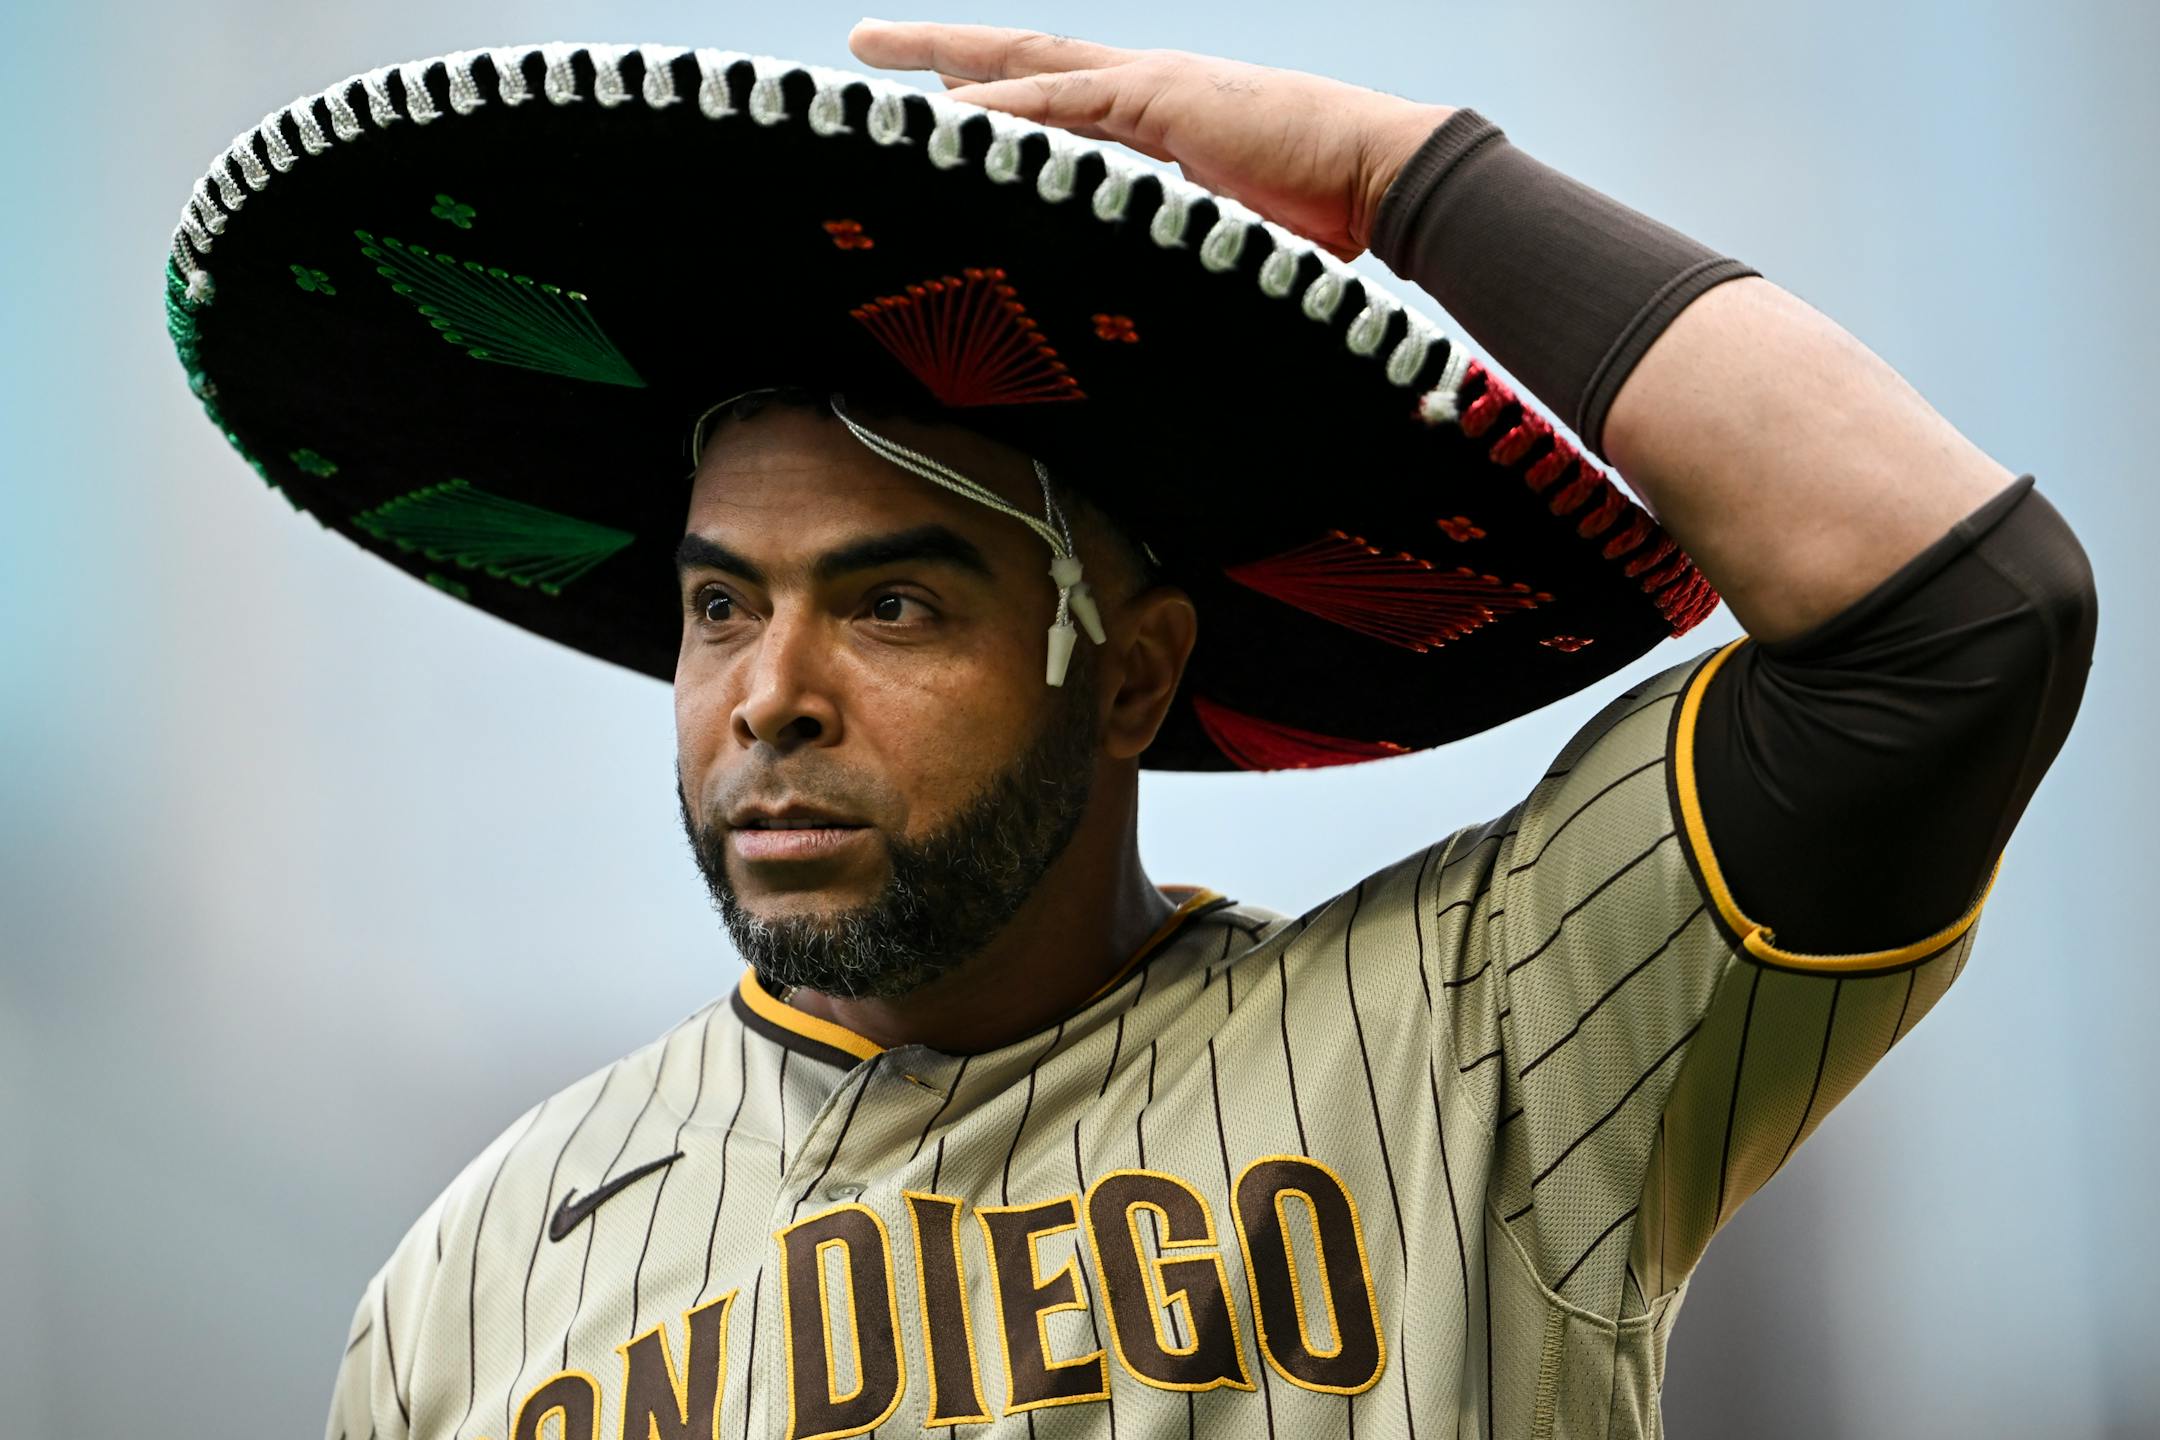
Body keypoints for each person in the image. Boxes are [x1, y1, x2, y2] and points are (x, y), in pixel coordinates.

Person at [162, 23, 2093, 1440]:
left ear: (1135, 676)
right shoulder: (467, 1291)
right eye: (720, 605)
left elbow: (1955, 613)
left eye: (894, 602)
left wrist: (1397, 178)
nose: (771, 694)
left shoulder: (1487, 1034)